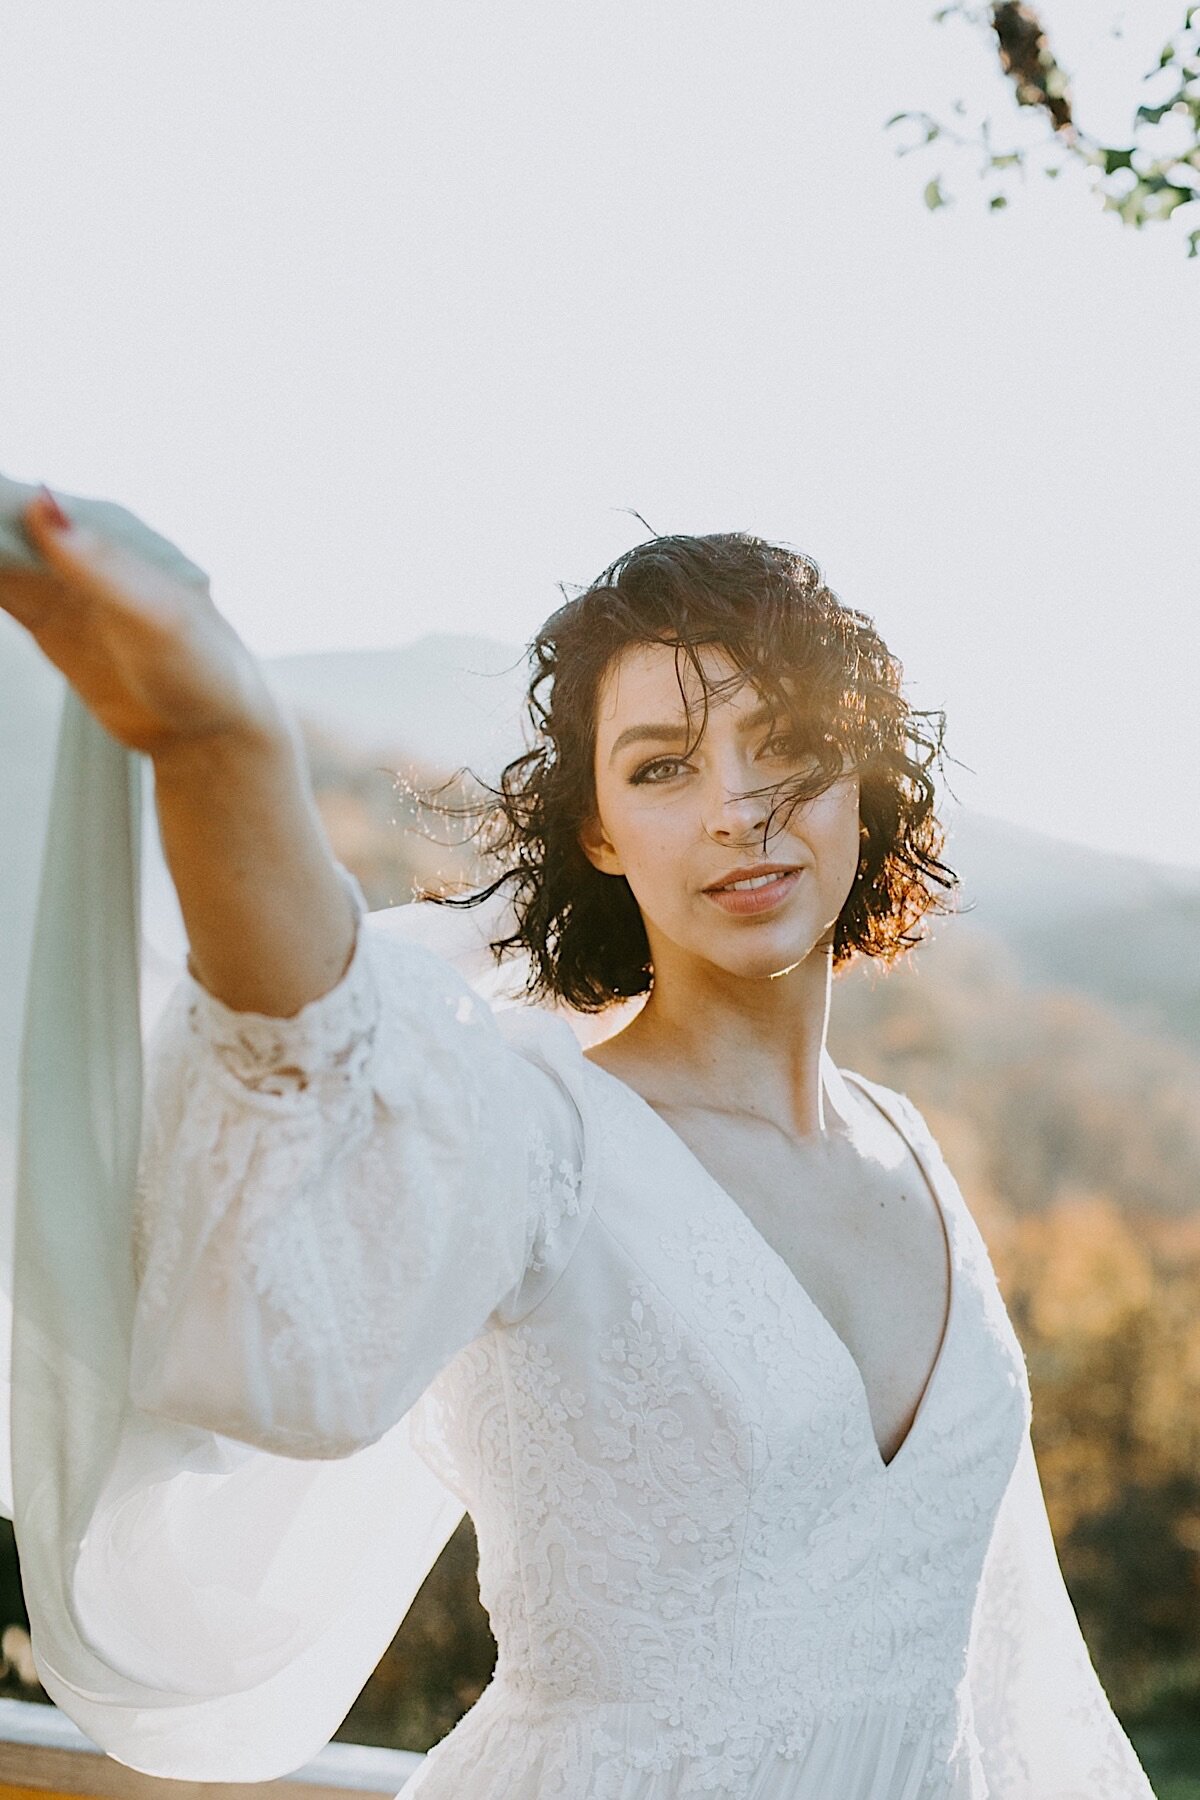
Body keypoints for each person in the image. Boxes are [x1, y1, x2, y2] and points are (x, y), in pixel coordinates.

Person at [0, 478, 1158, 1798]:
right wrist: (223, 741)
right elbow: (315, 1031)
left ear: (862, 775)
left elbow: (1004, 1681)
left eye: (784, 743)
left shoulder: (914, 1149)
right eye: (664, 766)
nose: (739, 807)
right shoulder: (539, 1129)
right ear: (601, 831)